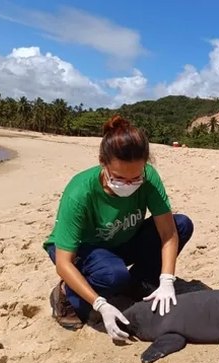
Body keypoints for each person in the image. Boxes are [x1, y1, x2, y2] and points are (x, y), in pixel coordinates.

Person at [42, 114, 194, 341]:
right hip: (83, 248)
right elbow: (64, 263)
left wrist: (166, 280)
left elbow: (168, 232)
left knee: (182, 224)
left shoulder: (149, 178)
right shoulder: (80, 192)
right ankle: (64, 293)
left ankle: (138, 284)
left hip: (122, 238)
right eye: (120, 178)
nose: (129, 185)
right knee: (112, 275)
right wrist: (100, 304)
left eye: (136, 178)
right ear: (103, 163)